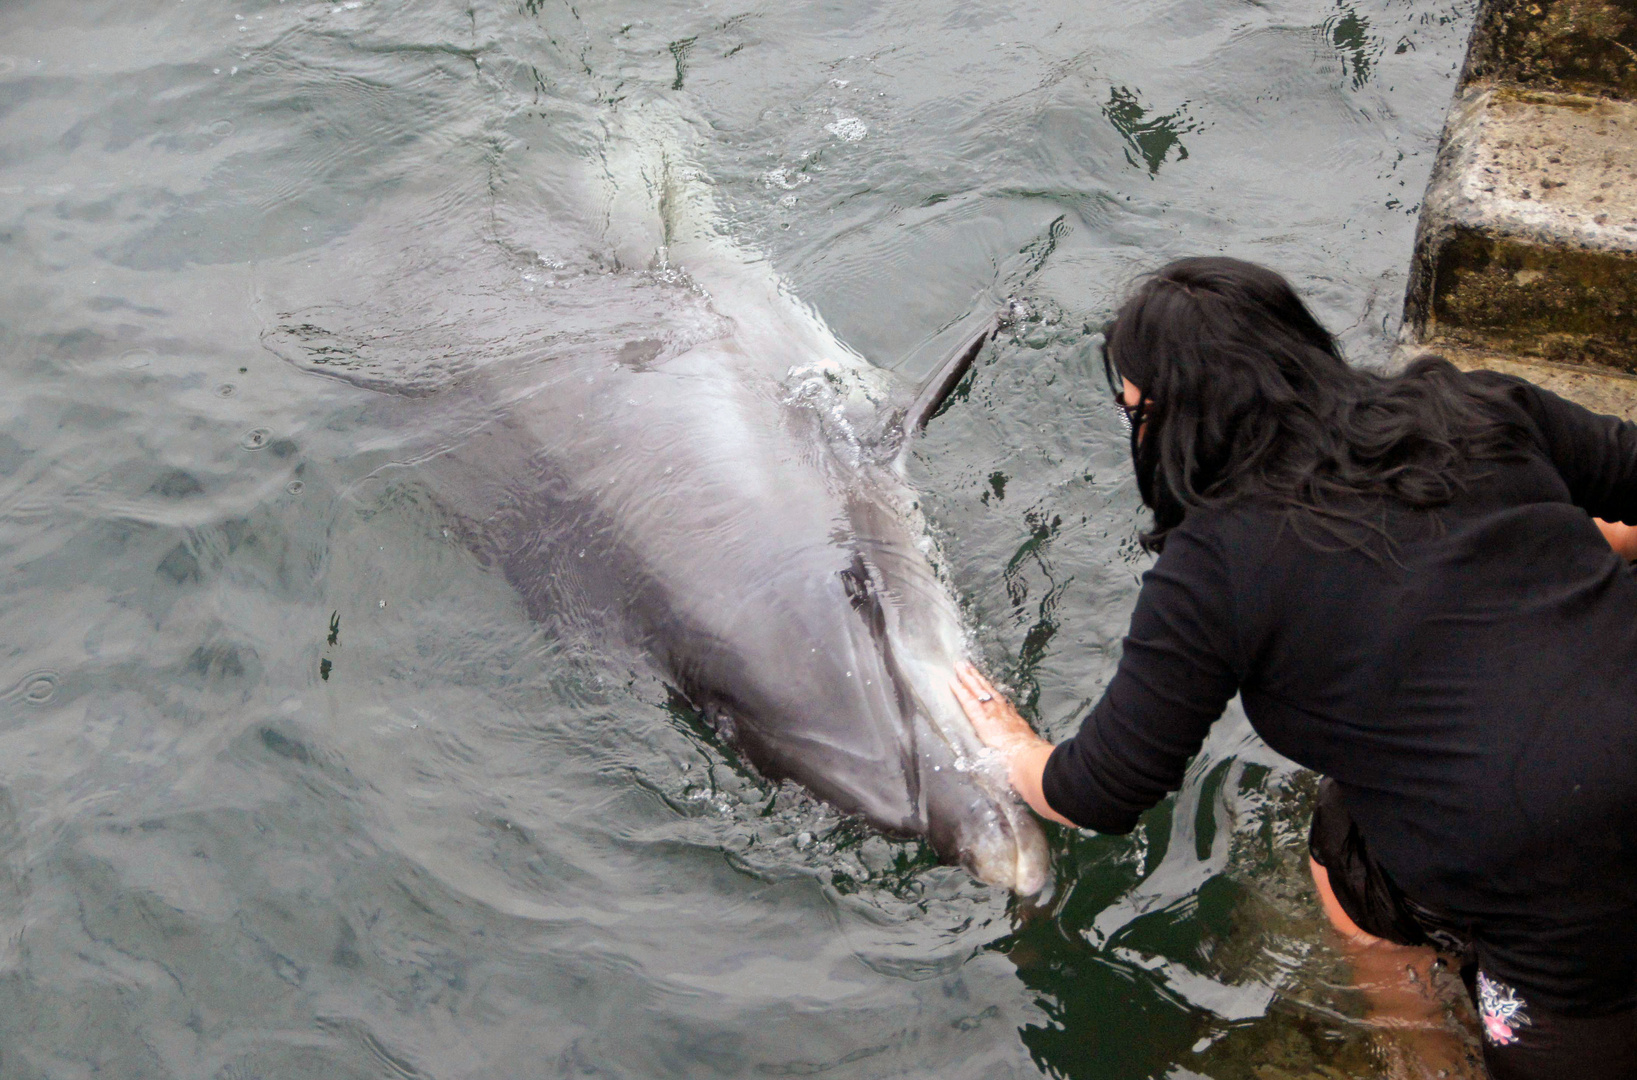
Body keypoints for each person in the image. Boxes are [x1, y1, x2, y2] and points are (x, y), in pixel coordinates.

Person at [949, 256, 1637, 1080]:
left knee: (1345, 849)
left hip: (1567, 926)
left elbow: (1097, 793)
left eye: (1131, 411)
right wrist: (1570, 548)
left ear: (1158, 416)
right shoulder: (1471, 402)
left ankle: (1421, 1059)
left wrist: (1009, 742)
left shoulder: (1210, 567)